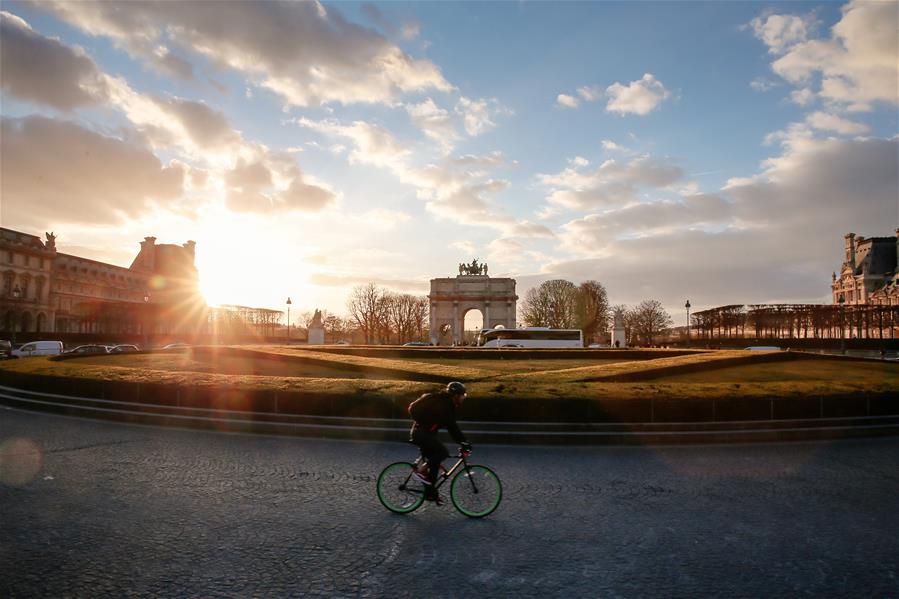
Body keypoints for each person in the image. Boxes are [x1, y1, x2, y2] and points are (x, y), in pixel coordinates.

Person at [407, 381, 471, 504]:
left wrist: (463, 441)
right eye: (462, 395)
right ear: (455, 396)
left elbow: (452, 427)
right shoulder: (445, 405)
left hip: (424, 433)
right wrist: (464, 442)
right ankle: (420, 472)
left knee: (435, 463)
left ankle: (431, 493)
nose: (463, 398)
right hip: (421, 434)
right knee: (442, 453)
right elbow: (452, 427)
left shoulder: (447, 403)